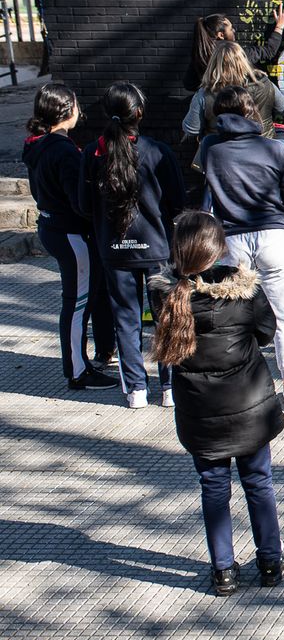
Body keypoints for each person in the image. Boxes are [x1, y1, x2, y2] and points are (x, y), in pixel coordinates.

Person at [150, 211, 284, 596]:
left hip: (199, 409)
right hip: (249, 405)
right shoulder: (246, 293)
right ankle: (271, 561)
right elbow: (265, 332)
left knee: (213, 487)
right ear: (219, 249)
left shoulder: (165, 294)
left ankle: (223, 569)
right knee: (259, 482)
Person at [201, 87, 284, 409]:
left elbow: (206, 198)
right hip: (275, 237)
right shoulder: (276, 149)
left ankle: (239, 385)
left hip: (232, 240)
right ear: (253, 114)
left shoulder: (211, 147)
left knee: (232, 318)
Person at [79, 81, 183, 409]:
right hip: (157, 249)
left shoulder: (92, 153)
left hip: (114, 250)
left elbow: (83, 205)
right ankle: (169, 388)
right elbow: (178, 202)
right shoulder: (157, 151)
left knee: (126, 317)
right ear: (139, 113)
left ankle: (136, 389)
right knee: (167, 316)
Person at [22, 82, 117, 389]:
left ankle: (93, 356)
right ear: (67, 111)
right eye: (75, 105)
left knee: (84, 298)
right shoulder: (63, 152)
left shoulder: (38, 144)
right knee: (77, 303)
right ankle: (77, 371)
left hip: (53, 227)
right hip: (70, 233)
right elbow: (79, 202)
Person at [183, 41, 284, 146]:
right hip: (263, 149)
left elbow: (191, 129)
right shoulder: (264, 83)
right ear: (243, 60)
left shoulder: (205, 93)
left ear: (215, 63)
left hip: (222, 154)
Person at [184, 4, 284, 93]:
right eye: (231, 29)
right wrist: (280, 25)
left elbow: (189, 84)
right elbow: (268, 50)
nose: (234, 31)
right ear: (221, 35)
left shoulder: (201, 55)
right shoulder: (235, 54)